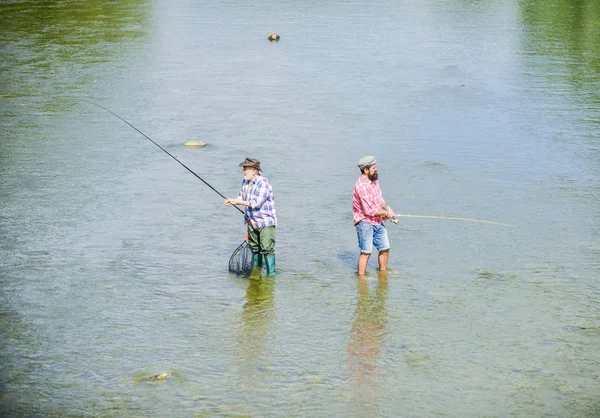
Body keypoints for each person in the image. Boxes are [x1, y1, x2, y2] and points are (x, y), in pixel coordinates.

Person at [225, 158, 277, 276]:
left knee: (267, 249)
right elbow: (240, 198)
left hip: (265, 222)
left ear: (254, 170)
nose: (243, 171)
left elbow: (256, 202)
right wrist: (232, 200)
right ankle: (256, 272)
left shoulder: (263, 183)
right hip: (251, 221)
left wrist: (237, 202)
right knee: (254, 248)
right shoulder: (245, 182)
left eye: (245, 168)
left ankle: (271, 275)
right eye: (243, 168)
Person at [352, 155, 398, 276]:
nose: (376, 169)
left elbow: (380, 200)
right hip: (364, 222)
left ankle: (383, 274)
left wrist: (389, 210)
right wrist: (387, 214)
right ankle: (361, 279)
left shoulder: (374, 180)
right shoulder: (361, 186)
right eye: (373, 167)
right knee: (366, 252)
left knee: (385, 249)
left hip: (377, 221)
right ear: (365, 170)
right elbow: (369, 211)